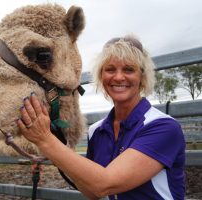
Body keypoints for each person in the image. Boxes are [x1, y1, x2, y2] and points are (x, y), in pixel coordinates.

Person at [17, 35, 185, 200]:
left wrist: (45, 140)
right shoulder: (97, 130)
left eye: (129, 69)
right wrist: (59, 155)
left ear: (142, 77)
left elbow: (106, 183)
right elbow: (94, 192)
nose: (118, 77)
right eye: (110, 69)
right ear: (101, 76)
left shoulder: (163, 127)